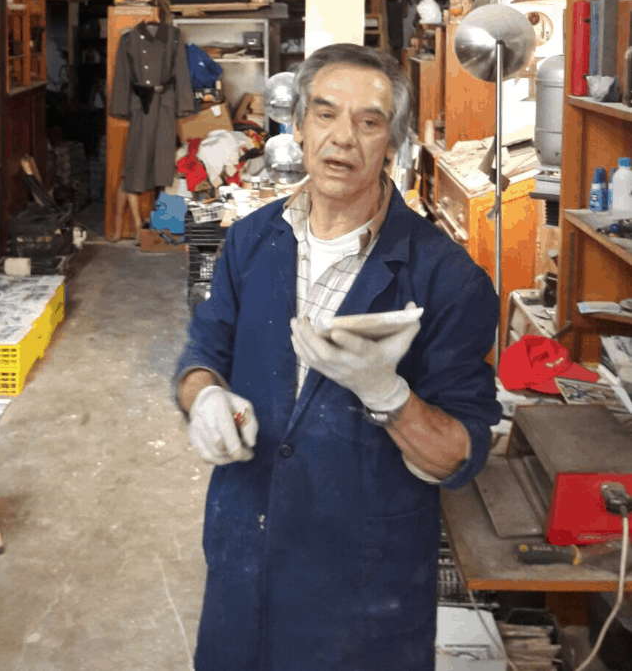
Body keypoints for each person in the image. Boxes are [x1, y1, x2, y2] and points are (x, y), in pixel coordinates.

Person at [174, 44, 501, 671]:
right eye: (324, 115)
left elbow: (460, 453)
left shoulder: (448, 279)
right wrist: (204, 395)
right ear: (297, 125)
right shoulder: (250, 239)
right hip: (246, 557)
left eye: (369, 122)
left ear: (393, 143)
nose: (342, 139)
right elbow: (203, 351)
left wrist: (391, 397)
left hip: (363, 591)